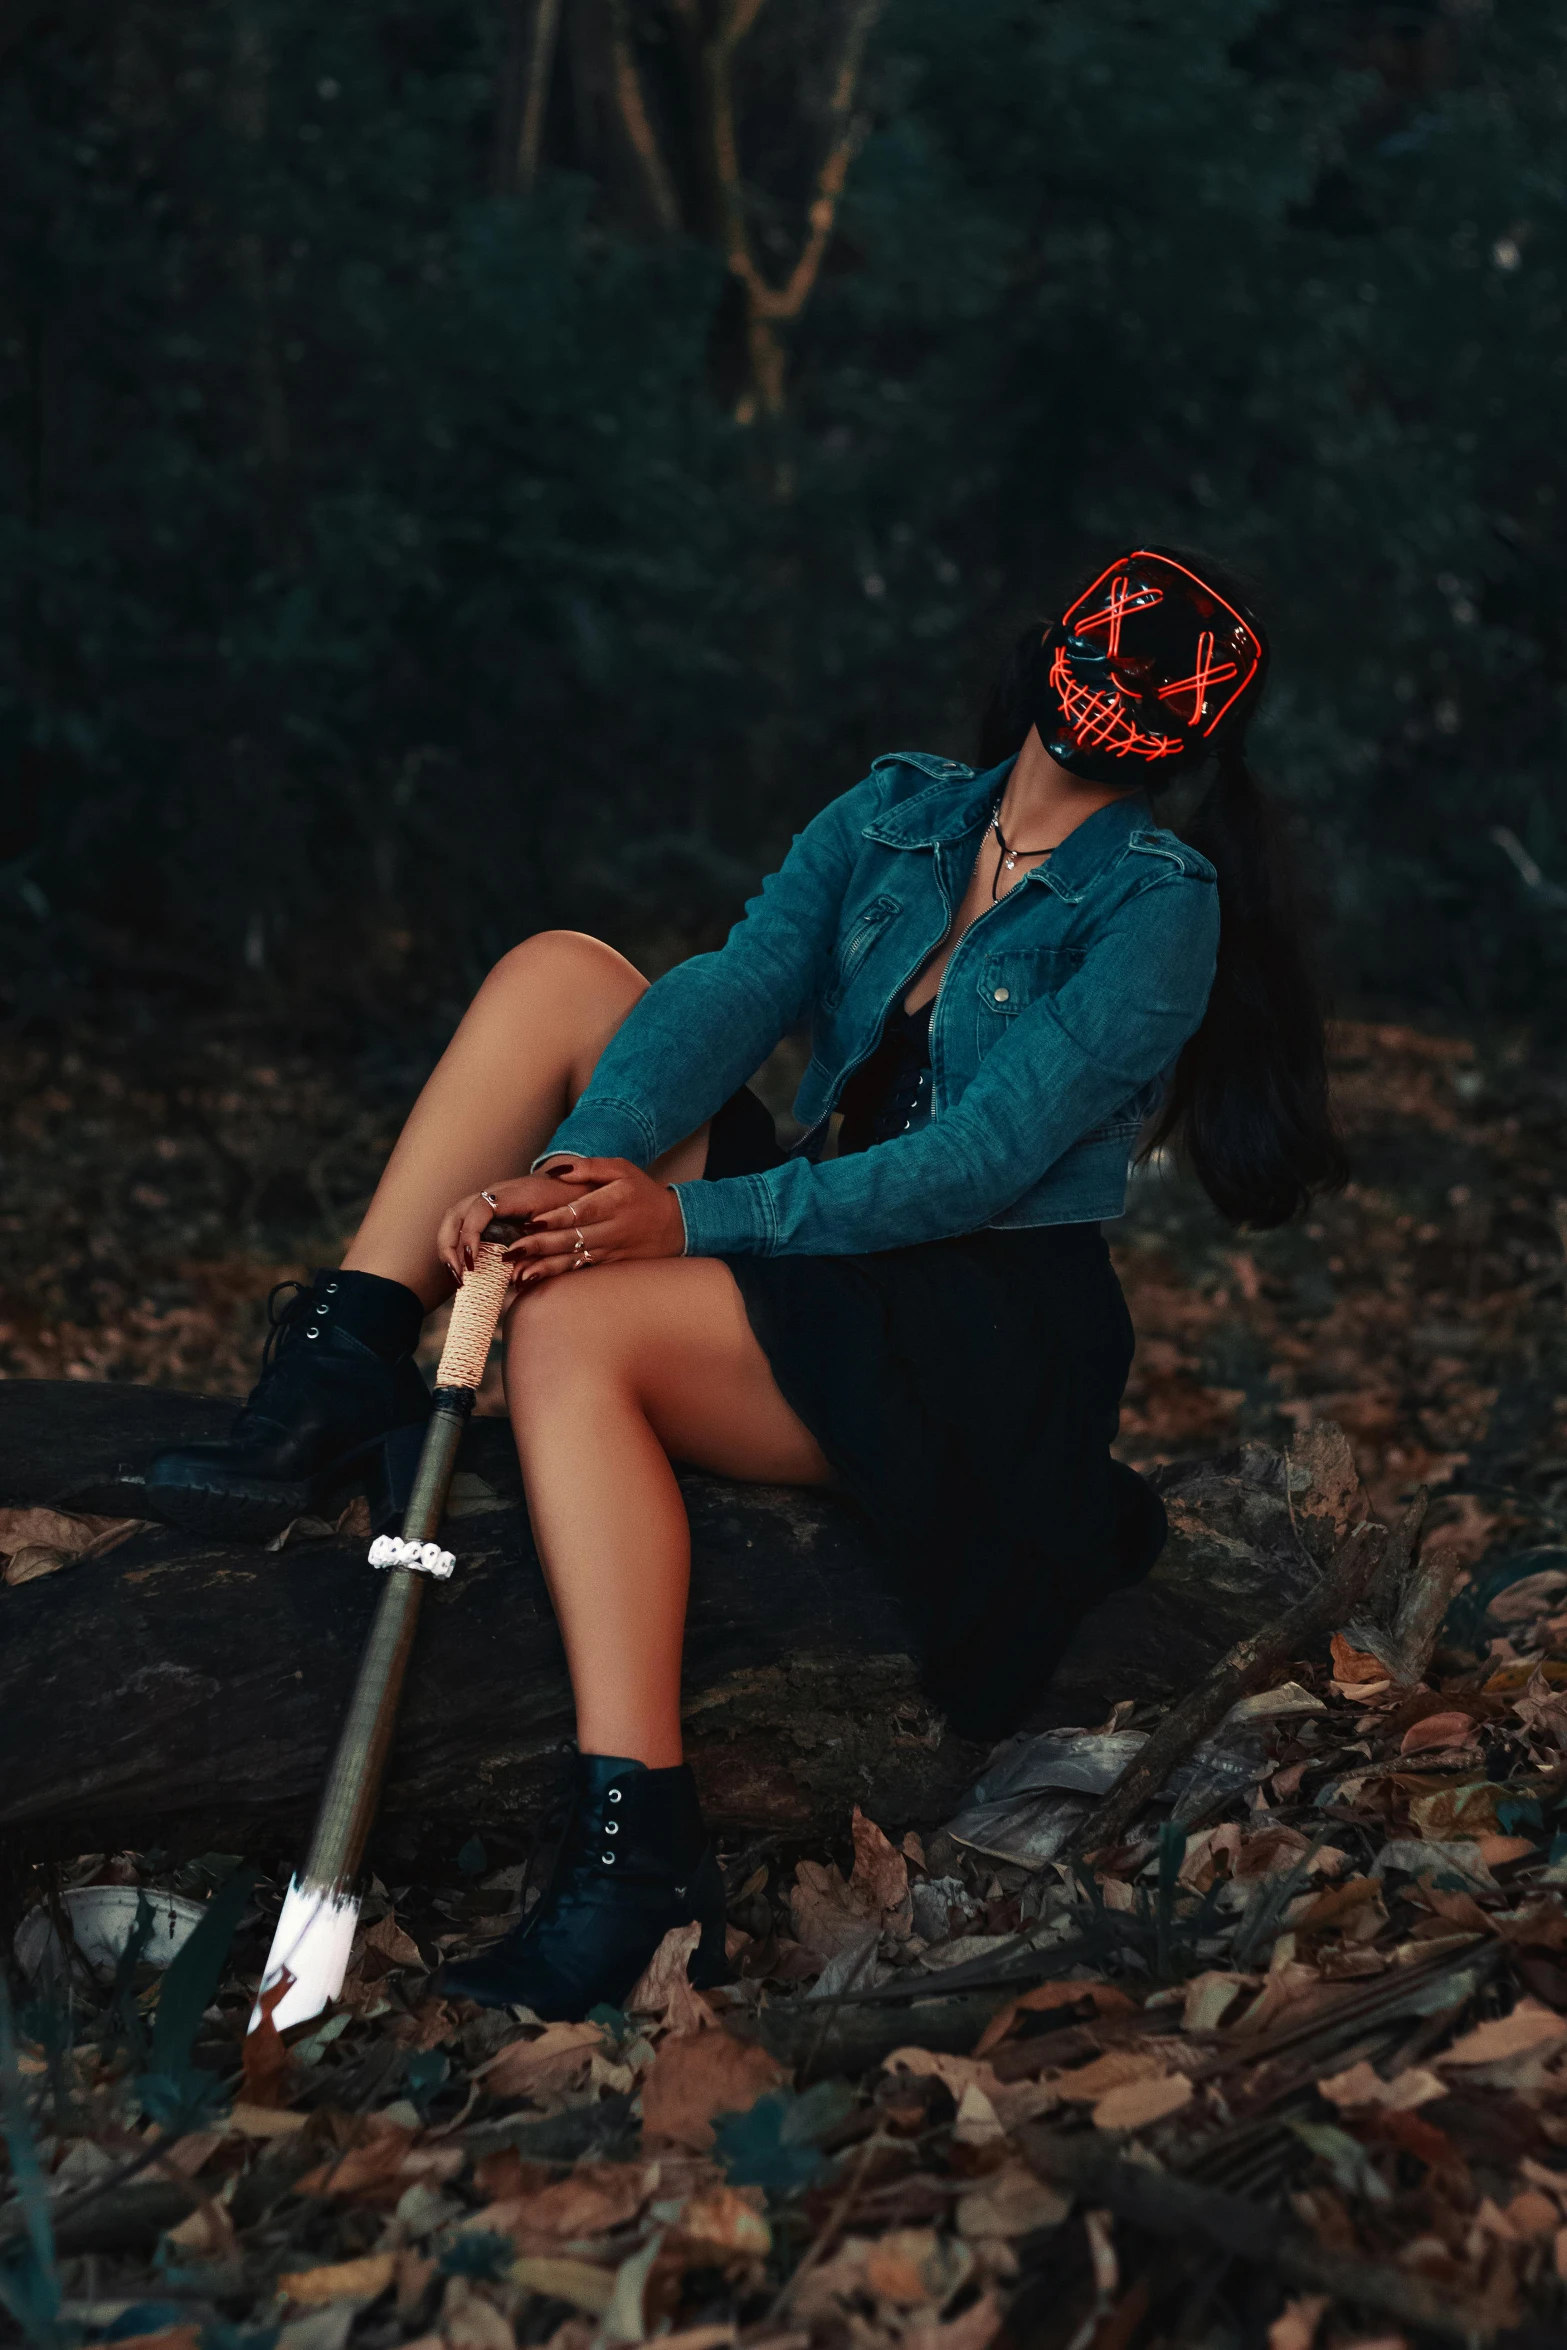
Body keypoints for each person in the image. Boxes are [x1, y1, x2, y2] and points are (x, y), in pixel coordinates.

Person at [145, 547, 1346, 2016]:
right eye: (1098, 665)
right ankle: (335, 1364)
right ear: (1050, 652)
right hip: (821, 1244)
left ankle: (637, 1856)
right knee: (562, 974)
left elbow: (974, 1163)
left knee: (573, 1330)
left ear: (1192, 746)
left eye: (1152, 705)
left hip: (973, 1326)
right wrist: (570, 1180)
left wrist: (681, 1227)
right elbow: (736, 985)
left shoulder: (1160, 904)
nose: (1106, 707)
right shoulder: (896, 811)